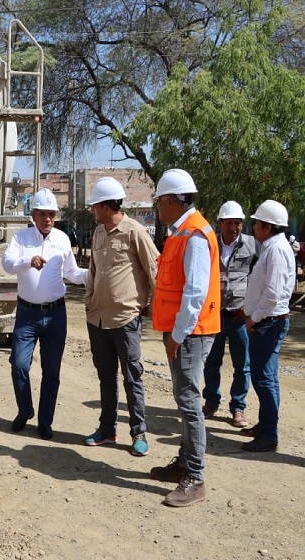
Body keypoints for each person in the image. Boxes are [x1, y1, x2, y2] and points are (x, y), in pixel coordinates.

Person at [149, 169, 220, 508]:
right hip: (183, 331)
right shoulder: (182, 232)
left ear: (171, 200)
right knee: (184, 398)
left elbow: (195, 292)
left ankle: (195, 476)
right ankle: (184, 464)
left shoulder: (194, 235)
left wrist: (177, 336)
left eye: (159, 201)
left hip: (190, 332)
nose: (158, 208)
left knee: (190, 401)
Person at [1, 188, 88, 440]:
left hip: (55, 315)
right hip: (26, 314)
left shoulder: (62, 239)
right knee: (18, 364)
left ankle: (45, 421)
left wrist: (94, 274)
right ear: (34, 215)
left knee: (52, 371)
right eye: (42, 214)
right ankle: (25, 409)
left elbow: (72, 273)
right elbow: (7, 265)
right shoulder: (20, 239)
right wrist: (29, 261)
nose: (47, 219)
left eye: (51, 214)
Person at [83, 177, 158, 456]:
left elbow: (155, 270)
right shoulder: (99, 233)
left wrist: (151, 305)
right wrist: (89, 302)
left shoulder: (134, 231)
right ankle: (107, 429)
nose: (92, 210)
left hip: (126, 319)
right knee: (106, 377)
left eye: (94, 206)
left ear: (105, 206)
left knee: (132, 377)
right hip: (97, 319)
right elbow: (93, 271)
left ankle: (139, 433)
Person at [241, 200, 296, 453]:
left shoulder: (275, 250)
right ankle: (265, 426)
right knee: (267, 378)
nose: (253, 226)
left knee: (264, 379)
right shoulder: (273, 247)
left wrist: (255, 318)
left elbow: (273, 293)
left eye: (257, 223)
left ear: (268, 226)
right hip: (268, 321)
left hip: (268, 322)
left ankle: (268, 435)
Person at [201, 201, 257, 428]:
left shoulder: (253, 246)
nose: (234, 227)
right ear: (220, 223)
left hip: (238, 316)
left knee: (242, 364)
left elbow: (258, 277)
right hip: (214, 314)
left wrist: (249, 306)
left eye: (238, 223)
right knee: (211, 362)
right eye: (230, 223)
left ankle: (238, 408)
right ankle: (211, 403)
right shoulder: (208, 243)